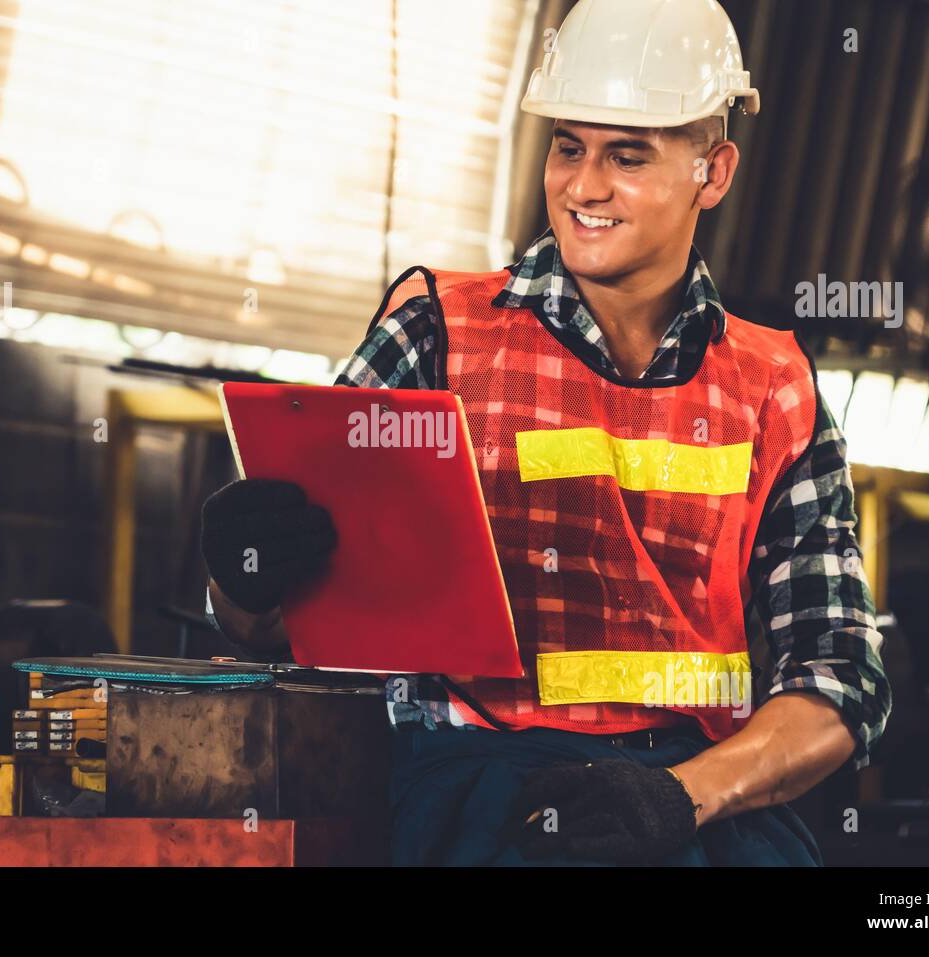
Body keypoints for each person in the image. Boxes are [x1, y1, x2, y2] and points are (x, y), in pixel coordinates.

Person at [200, 0, 891, 866]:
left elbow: (839, 683)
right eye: (569, 147)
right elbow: (291, 630)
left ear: (713, 175)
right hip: (484, 791)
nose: (583, 186)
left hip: (706, 802)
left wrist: (685, 794)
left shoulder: (773, 386)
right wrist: (244, 577)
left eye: (627, 155)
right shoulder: (436, 335)